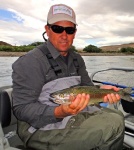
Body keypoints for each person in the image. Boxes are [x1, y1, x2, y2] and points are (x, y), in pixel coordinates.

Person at [12, 4, 124, 150]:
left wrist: (102, 90)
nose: (64, 36)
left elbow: (88, 89)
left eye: (69, 30)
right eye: (57, 29)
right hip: (39, 128)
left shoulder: (77, 59)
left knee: (118, 115)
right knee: (113, 124)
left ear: (75, 32)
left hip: (73, 115)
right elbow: (21, 108)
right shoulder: (30, 62)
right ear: (47, 30)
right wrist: (59, 112)